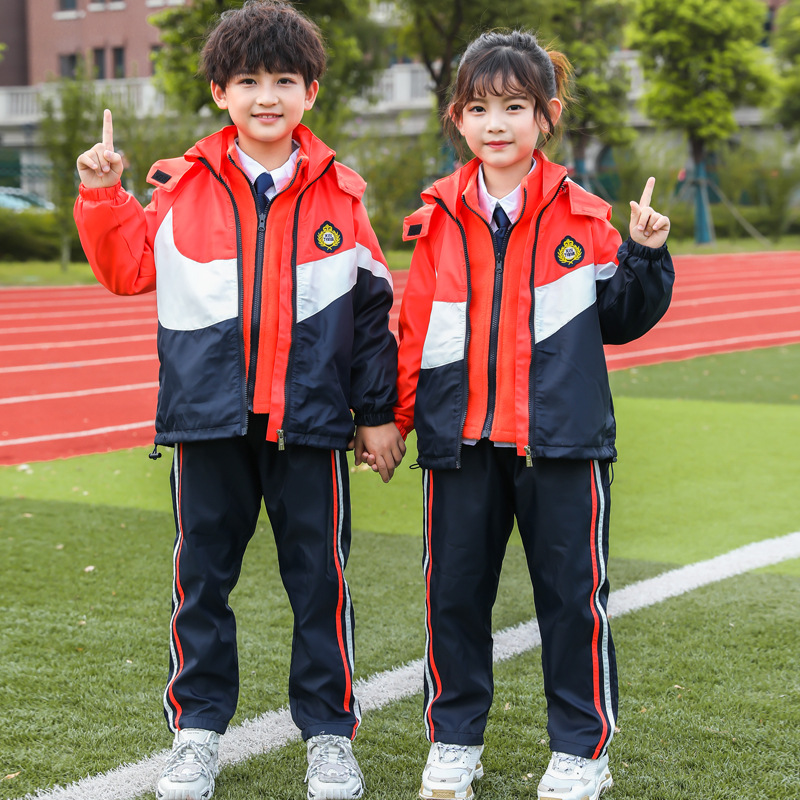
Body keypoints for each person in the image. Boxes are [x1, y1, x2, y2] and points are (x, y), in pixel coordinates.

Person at [74, 2, 405, 799]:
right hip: (208, 422)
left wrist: (376, 413)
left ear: (310, 93)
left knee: (319, 583)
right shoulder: (179, 187)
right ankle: (195, 735)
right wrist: (102, 195)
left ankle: (329, 736)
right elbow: (128, 270)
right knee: (202, 582)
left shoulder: (342, 197)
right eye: (249, 80)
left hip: (311, 425)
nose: (267, 96)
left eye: (284, 80)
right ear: (220, 91)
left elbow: (373, 313)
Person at [394, 29, 673, 800]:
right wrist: (393, 416)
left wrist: (645, 257)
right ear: (457, 118)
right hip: (461, 443)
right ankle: (454, 740)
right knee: (452, 596)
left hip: (561, 443)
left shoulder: (587, 217)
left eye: (515, 106)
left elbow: (619, 317)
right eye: (480, 107)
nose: (496, 123)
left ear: (546, 116)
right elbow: (415, 327)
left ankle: (581, 751)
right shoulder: (436, 218)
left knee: (571, 601)